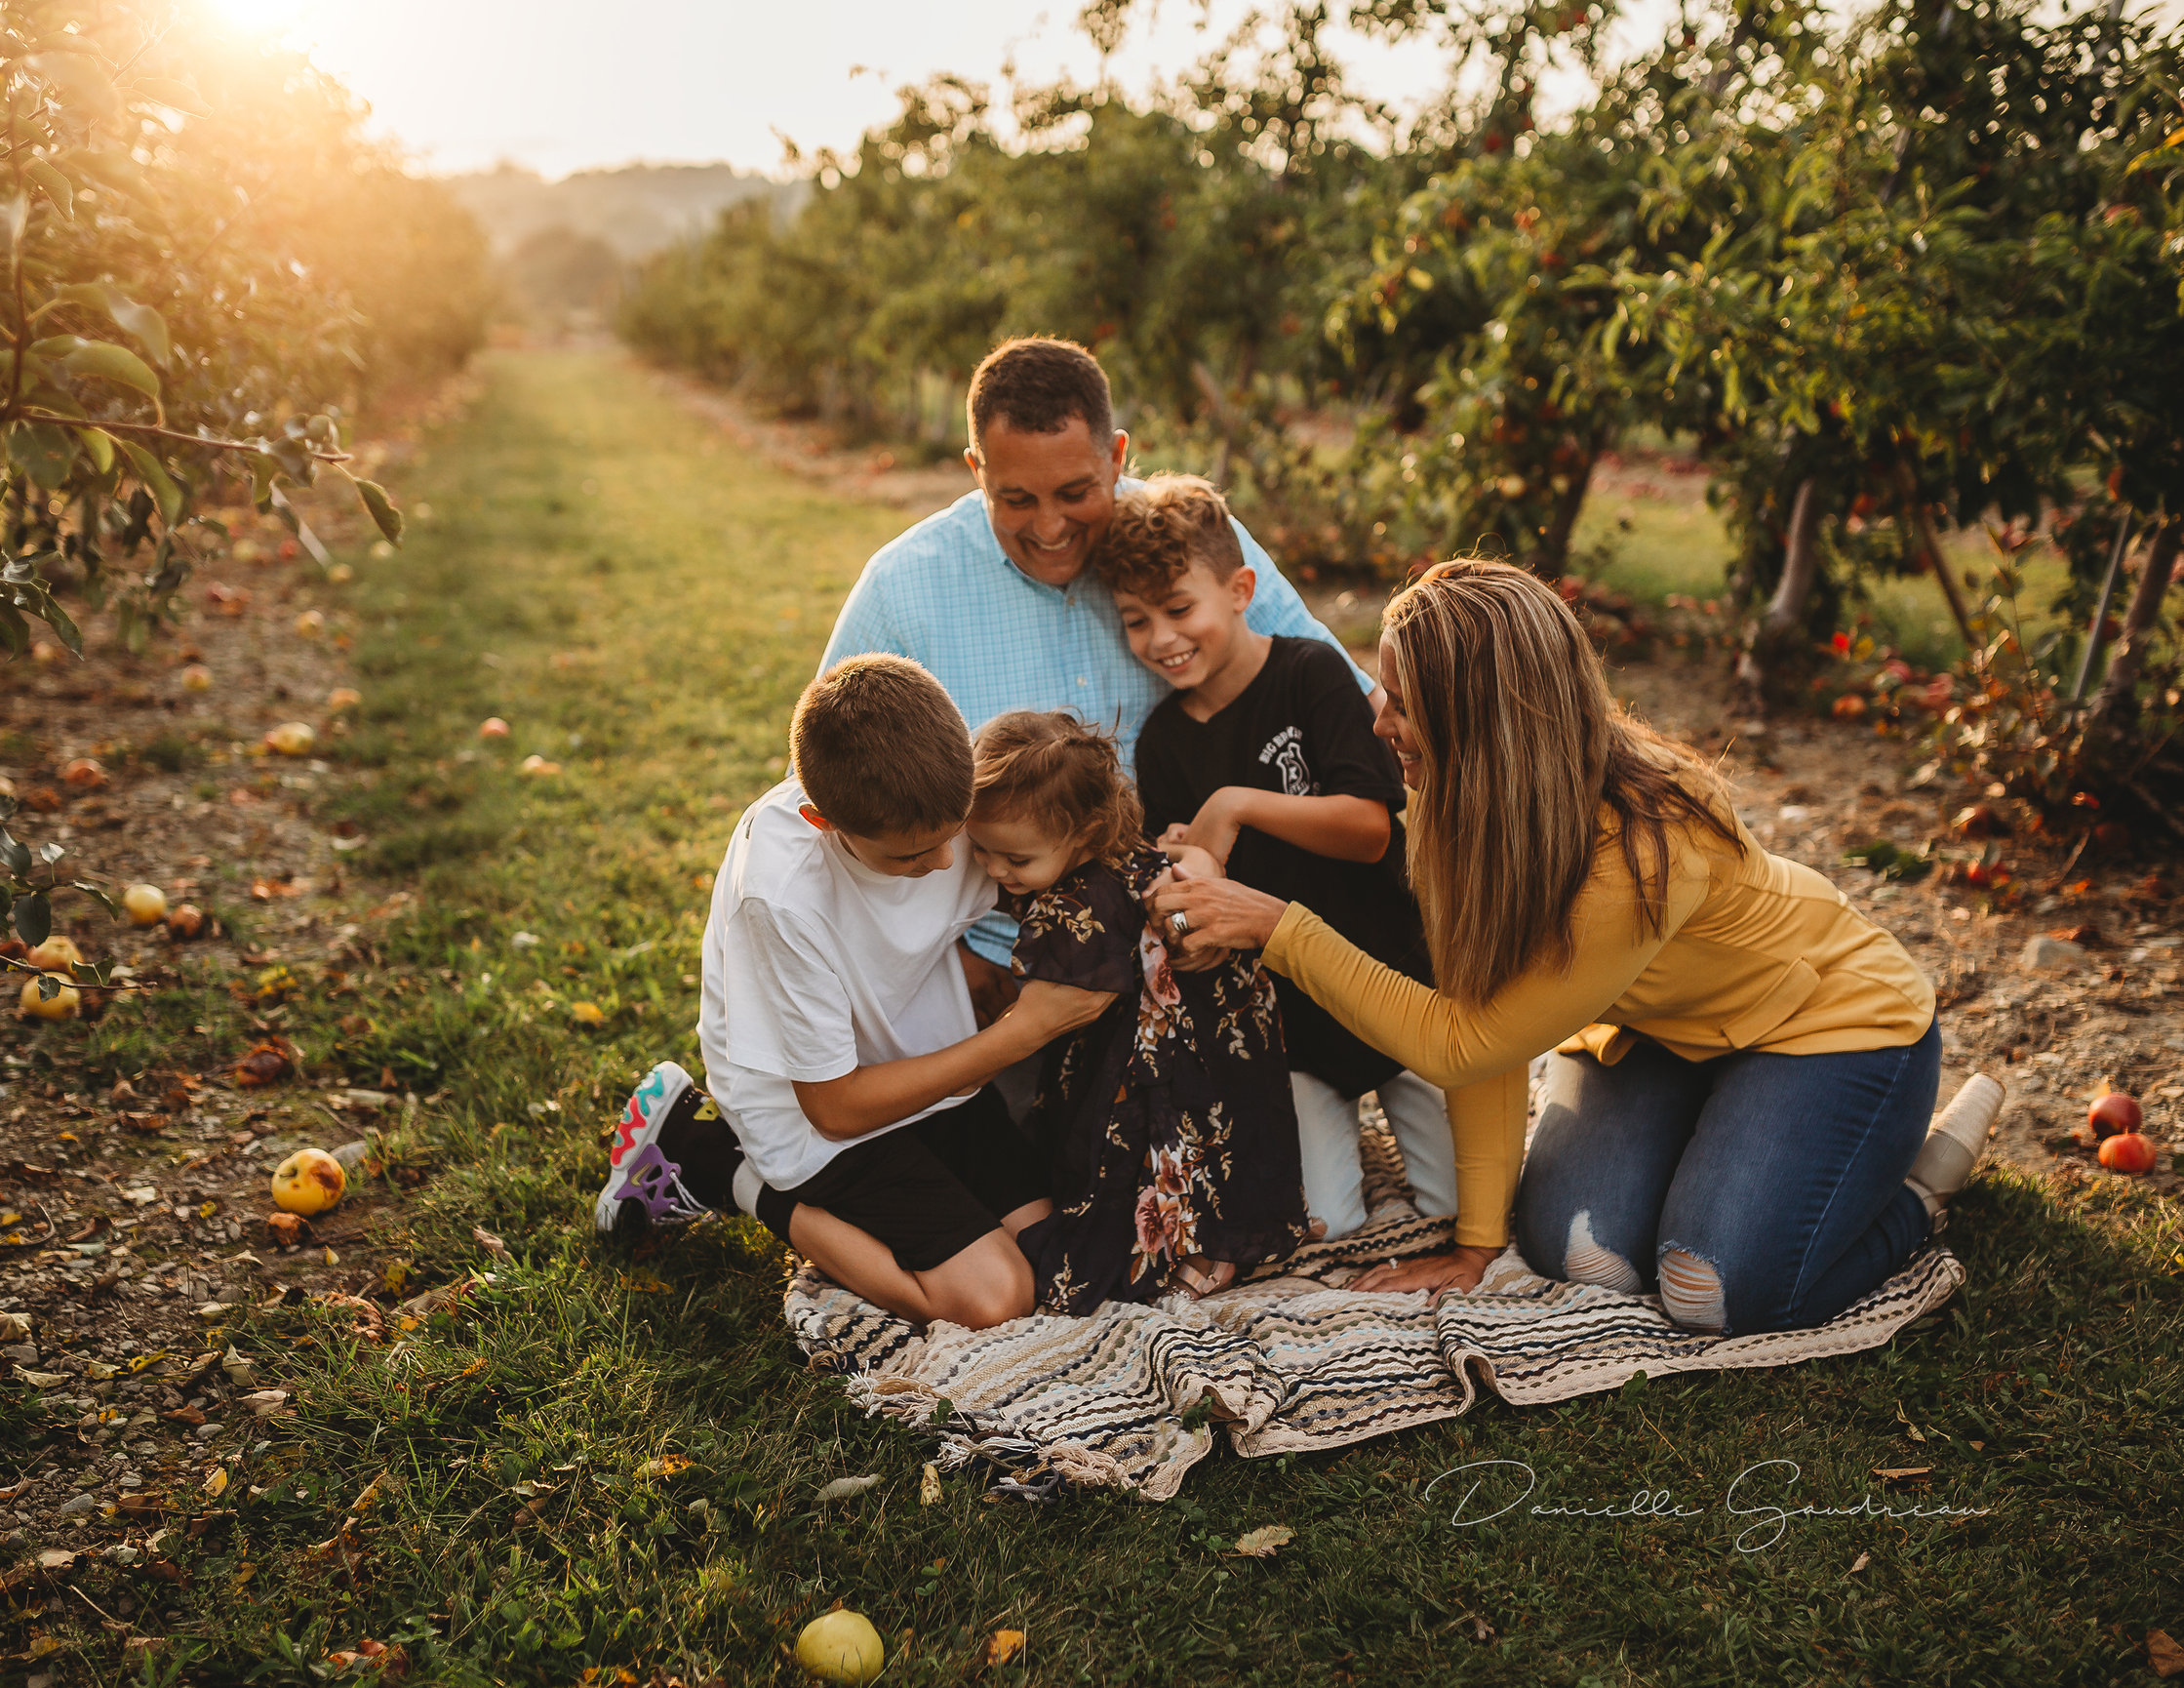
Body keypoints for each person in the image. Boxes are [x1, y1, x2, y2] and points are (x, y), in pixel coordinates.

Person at [1151, 560, 2003, 1337]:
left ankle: (1916, 1191)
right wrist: (1476, 1246)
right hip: (1659, 1037)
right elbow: (1479, 1008)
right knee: (1578, 1255)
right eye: (1384, 689)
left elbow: (1457, 1042)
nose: (1377, 719)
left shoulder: (1639, 853)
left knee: (1714, 1291)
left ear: (1479, 722)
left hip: (1826, 1029)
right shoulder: (1455, 798)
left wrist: (1276, 927)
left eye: (1402, 702)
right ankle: (1727, 1144)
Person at [819, 335, 1369, 974]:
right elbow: (829, 793)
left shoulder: (1183, 542)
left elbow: (1351, 695)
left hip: (1200, 939)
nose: (1049, 528)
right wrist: (951, 961)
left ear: (1117, 457)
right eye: (1016, 499)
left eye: (1076, 493)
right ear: (976, 471)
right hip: (996, 956)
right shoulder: (901, 587)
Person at [594, 656, 1105, 1329]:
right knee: (995, 1298)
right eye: (908, 858)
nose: (947, 866)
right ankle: (723, 1167)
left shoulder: (943, 798)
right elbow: (835, 1108)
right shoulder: (780, 896)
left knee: (1055, 1257)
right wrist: (1021, 1032)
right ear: (820, 820)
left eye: (955, 836)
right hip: (816, 1117)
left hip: (928, 1067)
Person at [1096, 474, 1457, 1240]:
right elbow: (1191, 883)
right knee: (1325, 1220)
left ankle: (1404, 1118)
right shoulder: (1161, 743)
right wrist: (1183, 883)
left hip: (1397, 985)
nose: (1161, 638)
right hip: (1289, 1023)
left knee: (1456, 1205)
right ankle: (1339, 1137)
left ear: (1239, 589)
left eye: (1178, 609)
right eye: (1135, 620)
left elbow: (1368, 830)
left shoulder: (1309, 675)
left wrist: (1235, 802)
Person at [964, 710, 1311, 1310]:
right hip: (1190, 1033)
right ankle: (1215, 1234)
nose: (994, 871)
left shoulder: (1082, 908)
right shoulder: (1115, 855)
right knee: (1206, 1149)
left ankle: (1204, 1249)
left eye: (1015, 861)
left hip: (1168, 1050)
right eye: (982, 850)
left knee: (1145, 1150)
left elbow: (1054, 1008)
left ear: (1085, 831)